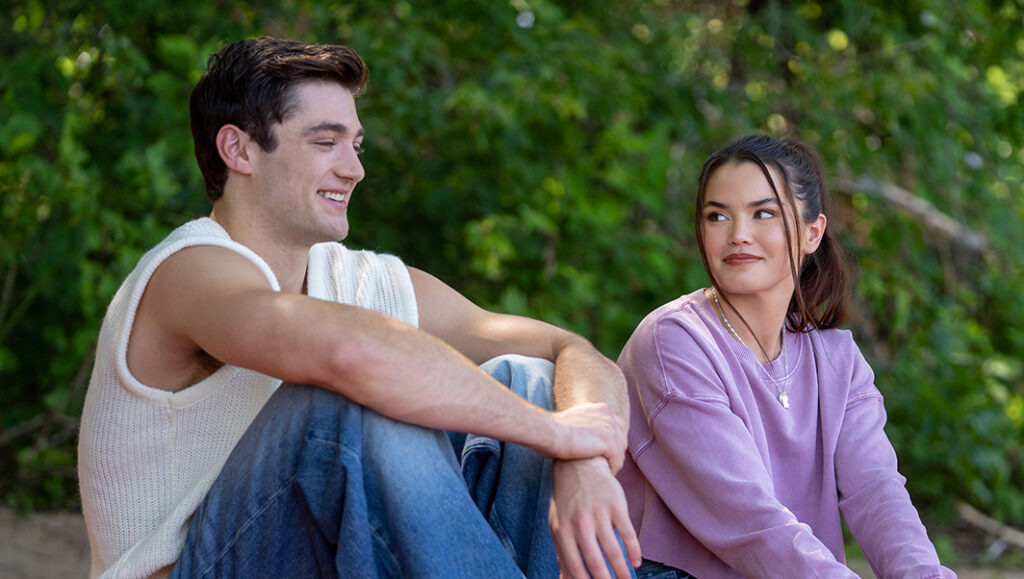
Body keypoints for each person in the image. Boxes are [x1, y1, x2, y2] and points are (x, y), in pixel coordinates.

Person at [77, 37, 640, 578]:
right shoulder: (191, 269)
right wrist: (552, 433)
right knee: (341, 404)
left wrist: (581, 456)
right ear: (239, 149)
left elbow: (569, 348)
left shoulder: (357, 279)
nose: (355, 169)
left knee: (529, 378)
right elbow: (350, 354)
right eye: (326, 143)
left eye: (356, 144)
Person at [615, 134, 956, 578]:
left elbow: (876, 490)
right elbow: (747, 518)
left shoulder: (838, 360)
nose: (738, 235)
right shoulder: (674, 341)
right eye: (717, 216)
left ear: (812, 232)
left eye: (763, 213)